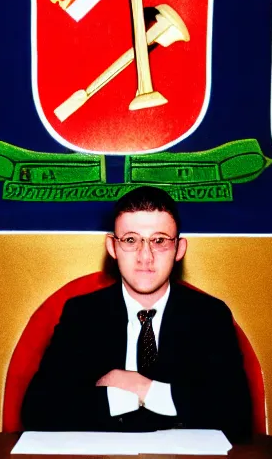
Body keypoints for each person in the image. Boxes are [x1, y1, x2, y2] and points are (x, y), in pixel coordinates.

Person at [21, 186, 252, 441]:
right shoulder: (83, 314)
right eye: (131, 240)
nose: (145, 256)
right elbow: (37, 411)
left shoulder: (210, 316)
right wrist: (121, 397)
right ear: (112, 247)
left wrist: (145, 389)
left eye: (160, 240)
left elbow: (237, 415)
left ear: (180, 249)